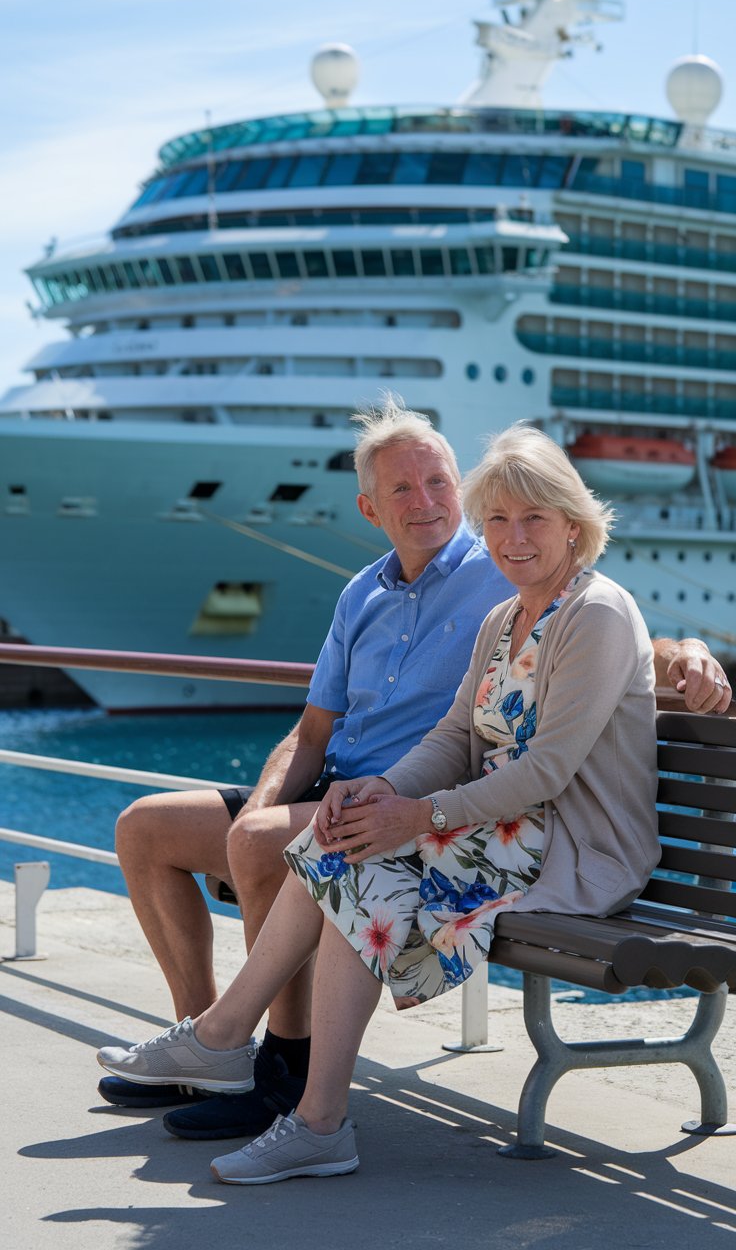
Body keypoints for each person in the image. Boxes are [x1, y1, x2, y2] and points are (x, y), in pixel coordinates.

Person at [98, 425, 720, 1184]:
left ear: (573, 523)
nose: (512, 537)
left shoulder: (596, 612)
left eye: (532, 519)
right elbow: (456, 735)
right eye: (496, 519)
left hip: (578, 852)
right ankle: (276, 1082)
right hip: (512, 832)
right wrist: (384, 790)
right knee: (339, 842)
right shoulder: (505, 618)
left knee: (359, 864)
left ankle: (279, 1084)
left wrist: (418, 817)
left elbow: (551, 770)